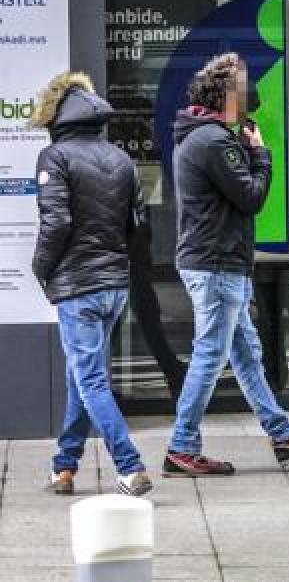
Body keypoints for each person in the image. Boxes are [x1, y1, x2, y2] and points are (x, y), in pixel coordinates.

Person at [164, 53, 289, 477]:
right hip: (217, 262)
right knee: (210, 354)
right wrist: (260, 155)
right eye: (242, 87)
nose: (249, 94)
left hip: (217, 260)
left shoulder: (204, 137)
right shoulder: (213, 141)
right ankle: (182, 447)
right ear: (225, 95)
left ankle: (283, 434)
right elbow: (252, 197)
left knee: (246, 354)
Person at [31, 72, 153, 497]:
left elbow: (57, 222)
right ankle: (64, 467)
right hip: (114, 284)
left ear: (56, 117)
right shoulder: (121, 159)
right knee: (80, 376)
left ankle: (129, 465)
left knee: (91, 380)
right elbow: (139, 225)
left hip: (78, 284)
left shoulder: (55, 157)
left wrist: (41, 269)